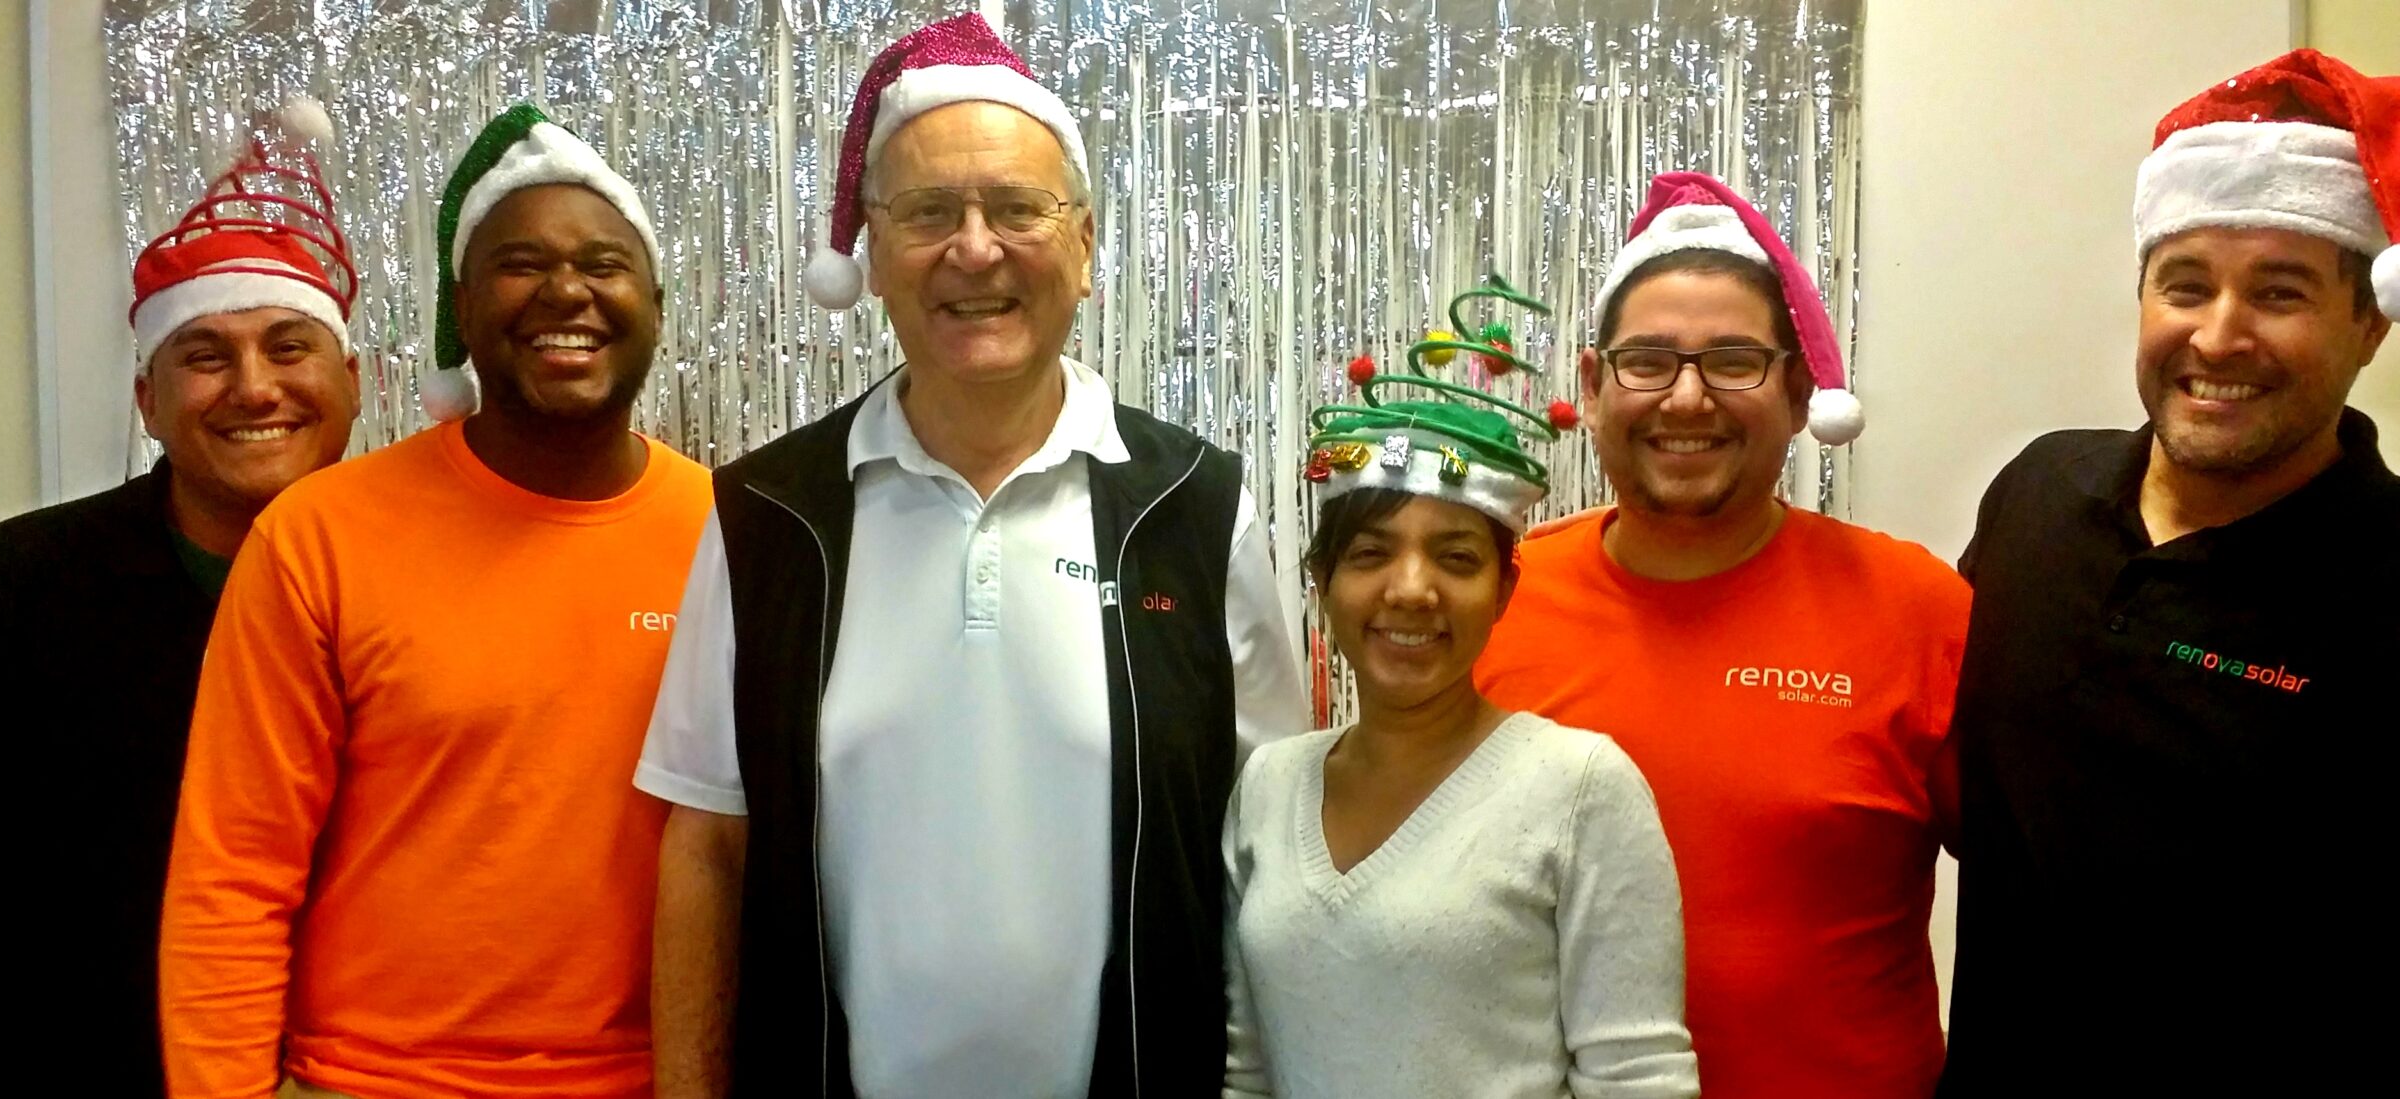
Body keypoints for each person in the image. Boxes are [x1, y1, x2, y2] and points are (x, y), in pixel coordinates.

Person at [635, 13, 1306, 1098]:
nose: (975, 248)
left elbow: (1269, 846)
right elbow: (708, 847)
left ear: (1083, 248)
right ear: (872, 256)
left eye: (1017, 208)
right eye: (928, 212)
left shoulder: (1194, 506)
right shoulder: (768, 515)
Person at [158, 102, 714, 1099]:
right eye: (520, 263)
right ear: (461, 309)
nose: (565, 291)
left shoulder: (731, 536)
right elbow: (232, 876)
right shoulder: (319, 536)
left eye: (603, 264)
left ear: (656, 307)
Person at [0, 100, 359, 1099]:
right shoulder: (3, 594)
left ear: (355, 378)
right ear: (148, 401)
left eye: (289, 347)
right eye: (205, 356)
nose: (253, 388)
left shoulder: (421, 582)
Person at [1939, 50, 2397, 1095]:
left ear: (2367, 323)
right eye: (2182, 286)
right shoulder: (2038, 493)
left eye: (2278, 293)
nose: (2219, 335)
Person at [1474, 172, 1970, 1099]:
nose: (1688, 400)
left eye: (1734, 360)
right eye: (1648, 361)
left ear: (1794, 389)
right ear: (1591, 386)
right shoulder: (1497, 602)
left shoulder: (1915, 607)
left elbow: (2054, 887)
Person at [1222, 295, 1698, 1098]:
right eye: (1371, 553)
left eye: (1456, 558)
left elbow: (1638, 1078)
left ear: (1506, 588)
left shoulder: (1579, 788)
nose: (1412, 590)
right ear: (1323, 584)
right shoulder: (1268, 784)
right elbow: (1249, 1069)